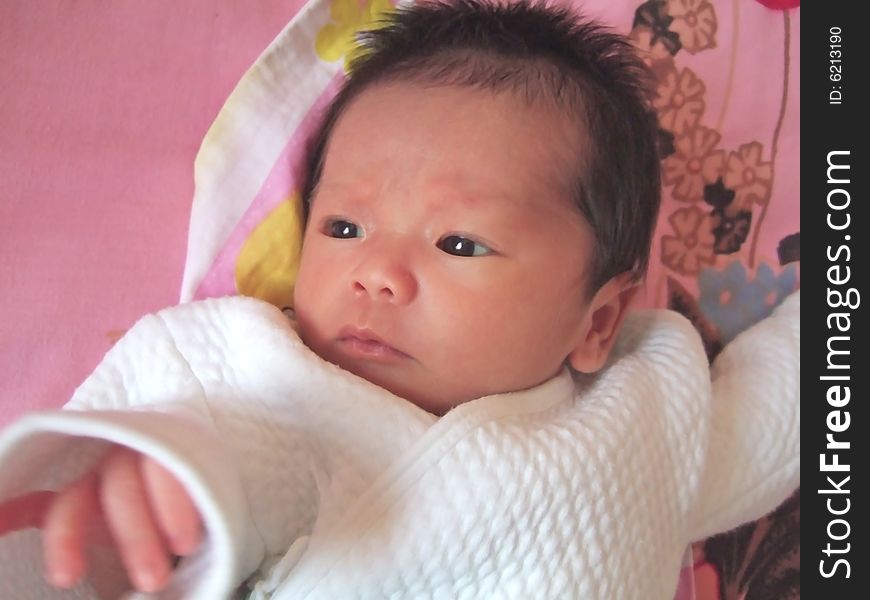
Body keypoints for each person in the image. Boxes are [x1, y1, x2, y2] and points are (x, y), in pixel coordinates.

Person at [0, 1, 800, 598]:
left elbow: (786, 403)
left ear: (595, 321)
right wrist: (155, 478)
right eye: (344, 225)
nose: (375, 272)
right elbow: (206, 457)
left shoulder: (648, 416)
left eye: (457, 243)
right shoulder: (274, 385)